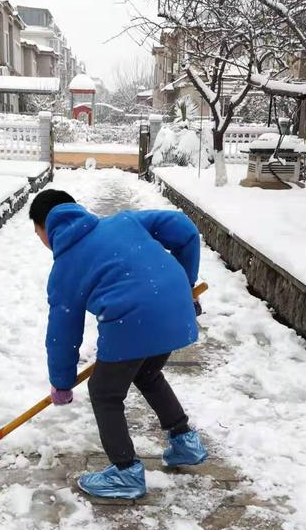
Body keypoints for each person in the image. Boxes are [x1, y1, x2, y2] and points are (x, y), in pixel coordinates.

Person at [29, 188, 207, 500]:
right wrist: (185, 283)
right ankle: (185, 442)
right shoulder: (125, 221)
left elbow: (63, 332)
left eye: (37, 233)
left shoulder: (65, 268)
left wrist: (61, 382)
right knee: (147, 373)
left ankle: (125, 473)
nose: (40, 240)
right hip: (176, 308)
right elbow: (186, 231)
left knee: (104, 392)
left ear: (46, 228)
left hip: (132, 320)